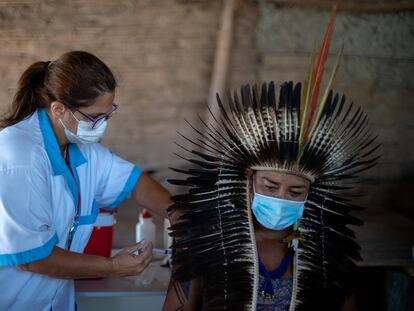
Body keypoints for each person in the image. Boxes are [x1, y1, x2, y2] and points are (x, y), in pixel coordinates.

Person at [161, 7, 379, 311]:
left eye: (295, 192)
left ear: (310, 193)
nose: (281, 199)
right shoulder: (208, 244)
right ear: (248, 177)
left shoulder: (326, 252)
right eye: (271, 185)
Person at [0, 51, 172, 311]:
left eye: (108, 114)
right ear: (59, 109)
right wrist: (113, 266)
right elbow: (35, 259)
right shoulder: (21, 157)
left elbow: (134, 182)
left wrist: (182, 216)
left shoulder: (78, 147)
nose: (102, 126)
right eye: (94, 117)